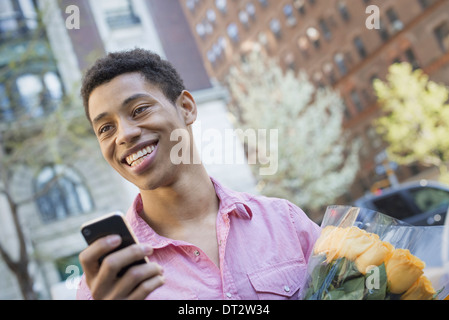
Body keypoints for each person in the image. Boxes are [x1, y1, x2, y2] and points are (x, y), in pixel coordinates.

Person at [76, 48, 321, 300]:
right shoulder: (106, 285)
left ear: (186, 108)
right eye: (106, 128)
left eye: (139, 110)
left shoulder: (285, 221)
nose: (124, 134)